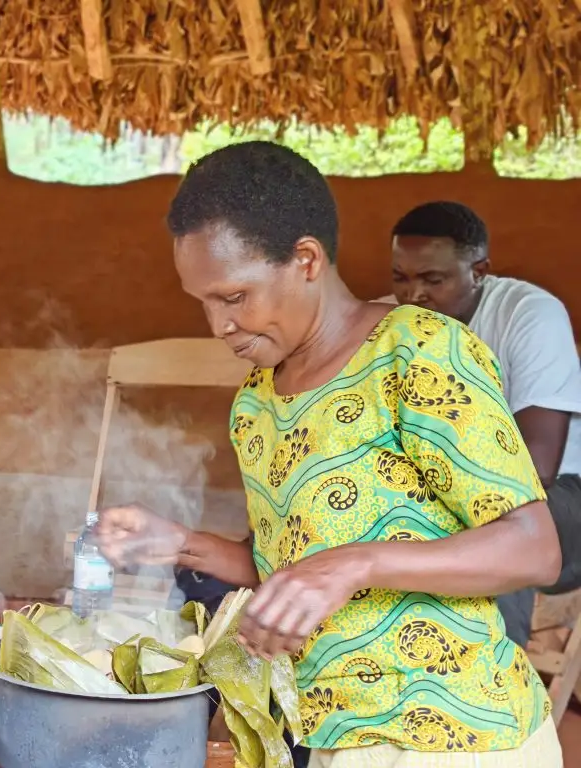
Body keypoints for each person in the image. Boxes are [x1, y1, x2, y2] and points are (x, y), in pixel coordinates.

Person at [95, 142, 564, 766]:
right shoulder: (257, 404)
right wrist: (181, 543)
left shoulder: (416, 350)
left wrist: (354, 564)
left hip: (456, 736)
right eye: (202, 301)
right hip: (331, 739)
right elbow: (289, 567)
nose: (219, 325)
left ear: (306, 260)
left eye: (234, 297)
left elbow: (535, 547)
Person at [380, 200, 581, 648]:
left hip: (562, 496)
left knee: (500, 531)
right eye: (400, 277)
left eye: (433, 279)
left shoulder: (529, 315)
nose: (414, 295)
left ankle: (495, 689)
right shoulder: (389, 323)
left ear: (480, 270)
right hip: (450, 490)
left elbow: (536, 467)